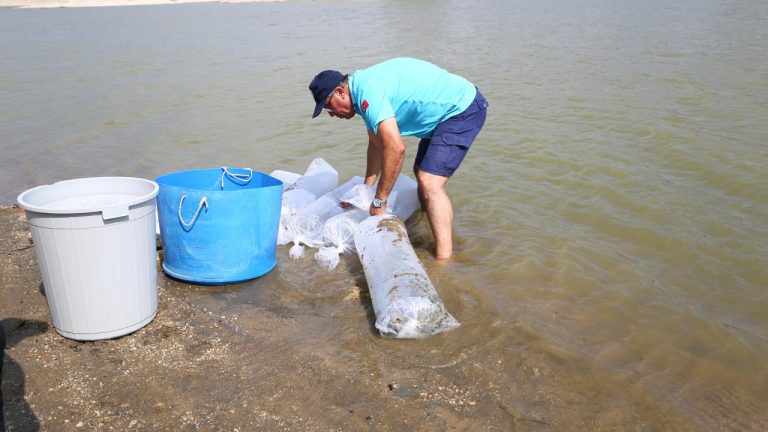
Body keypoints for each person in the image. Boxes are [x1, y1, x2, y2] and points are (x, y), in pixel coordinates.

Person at [309, 57, 488, 259]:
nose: (331, 114)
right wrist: (365, 191)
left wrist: (378, 202)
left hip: (461, 108)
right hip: (442, 115)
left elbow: (396, 149)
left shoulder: (368, 93)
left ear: (340, 92)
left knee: (430, 182)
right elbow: (376, 144)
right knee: (420, 171)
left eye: (328, 107)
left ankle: (444, 261)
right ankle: (425, 221)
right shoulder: (362, 92)